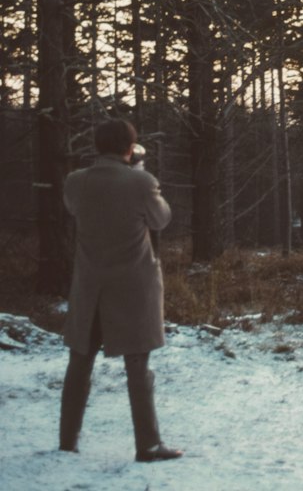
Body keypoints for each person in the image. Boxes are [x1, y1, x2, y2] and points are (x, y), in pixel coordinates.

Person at [59, 118, 183, 463]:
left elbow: (75, 208)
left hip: (89, 287)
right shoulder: (142, 182)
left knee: (79, 363)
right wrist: (139, 171)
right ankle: (147, 445)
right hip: (132, 288)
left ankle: (67, 441)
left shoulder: (75, 182)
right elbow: (161, 220)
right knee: (137, 367)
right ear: (130, 147)